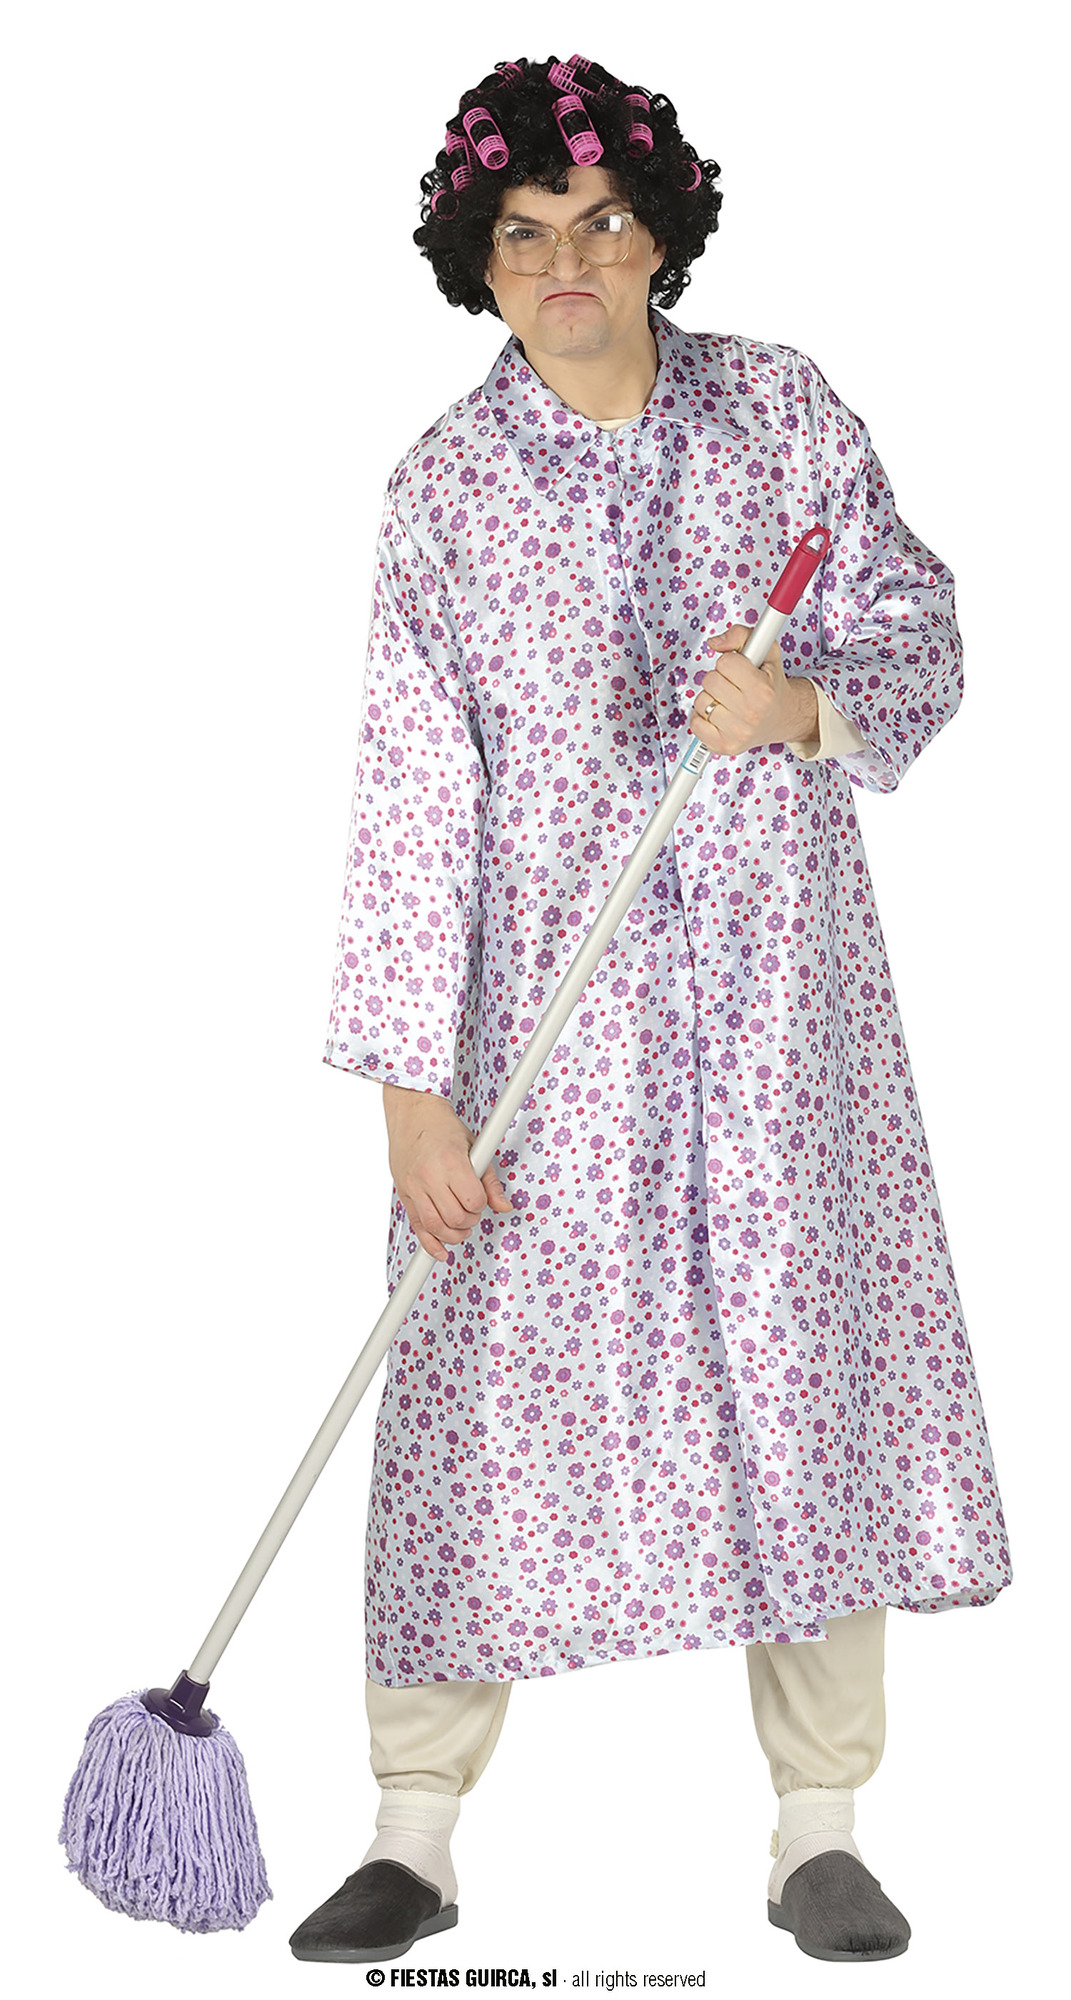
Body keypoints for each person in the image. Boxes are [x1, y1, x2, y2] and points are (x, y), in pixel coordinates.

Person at [290, 54, 1012, 1969]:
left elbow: (921, 625)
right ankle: (415, 1829)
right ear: (480, 261)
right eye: (527, 237)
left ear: (660, 235)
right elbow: (411, 805)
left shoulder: (783, 414)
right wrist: (410, 1099)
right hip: (544, 1023)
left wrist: (803, 706)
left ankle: (819, 1828)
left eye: (602, 226)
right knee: (467, 1383)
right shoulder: (444, 495)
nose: (569, 268)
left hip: (779, 1010)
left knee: (804, 1363)